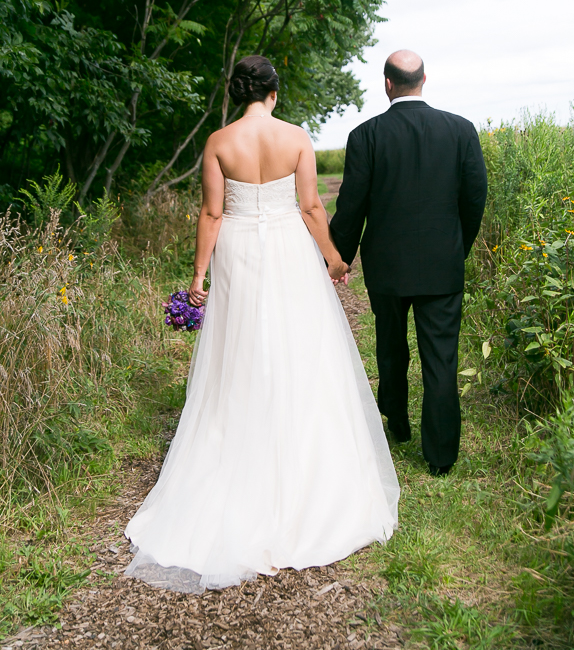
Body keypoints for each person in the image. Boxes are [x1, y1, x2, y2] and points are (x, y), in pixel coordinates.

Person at [124, 55, 399, 593]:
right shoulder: (296, 137)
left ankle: (239, 452)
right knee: (301, 348)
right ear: (274, 92)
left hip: (239, 252)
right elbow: (311, 207)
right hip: (292, 253)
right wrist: (335, 258)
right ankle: (304, 470)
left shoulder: (219, 142)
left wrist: (199, 276)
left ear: (236, 94)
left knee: (241, 351)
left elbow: (211, 214)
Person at [330, 51, 487, 476]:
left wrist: (339, 257)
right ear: (423, 80)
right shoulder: (460, 130)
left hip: (387, 266)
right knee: (441, 358)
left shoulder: (366, 135)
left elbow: (351, 206)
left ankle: (397, 423)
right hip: (443, 265)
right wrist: (459, 246)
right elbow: (475, 199)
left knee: (391, 346)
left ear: (387, 83)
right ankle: (440, 457)